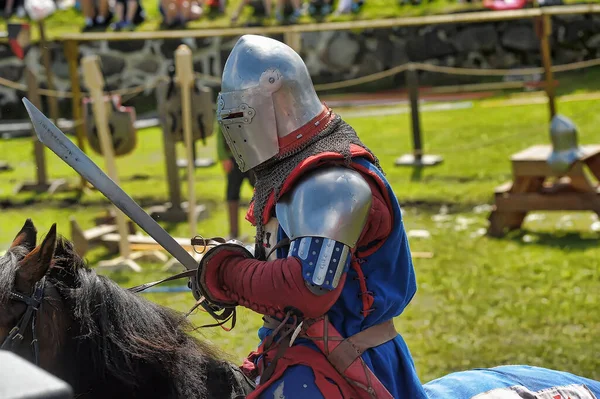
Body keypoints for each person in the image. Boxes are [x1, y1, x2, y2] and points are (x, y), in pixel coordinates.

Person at [195, 34, 424, 398]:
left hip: (352, 361)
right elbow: (289, 256)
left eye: (241, 114)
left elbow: (307, 288)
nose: (236, 128)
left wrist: (227, 274)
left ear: (275, 98)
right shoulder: (288, 170)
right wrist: (238, 259)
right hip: (294, 352)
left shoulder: (332, 183)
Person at [216, 121, 256, 241]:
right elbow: (220, 131)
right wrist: (223, 157)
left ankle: (264, 232)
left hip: (253, 158)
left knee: (262, 193)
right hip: (233, 158)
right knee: (232, 195)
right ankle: (234, 233)